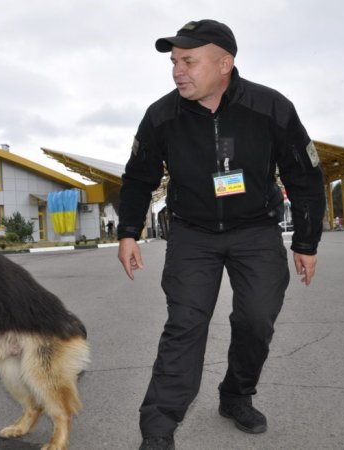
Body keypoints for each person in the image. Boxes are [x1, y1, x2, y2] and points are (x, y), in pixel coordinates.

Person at [117, 19, 325, 450]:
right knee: (185, 325)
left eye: (189, 61)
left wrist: (306, 242)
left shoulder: (271, 107)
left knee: (256, 320)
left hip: (256, 230)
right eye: (174, 62)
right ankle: (158, 428)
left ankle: (236, 395)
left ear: (224, 63)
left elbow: (304, 175)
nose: (178, 71)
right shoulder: (161, 116)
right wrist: (128, 232)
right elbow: (138, 177)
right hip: (192, 234)